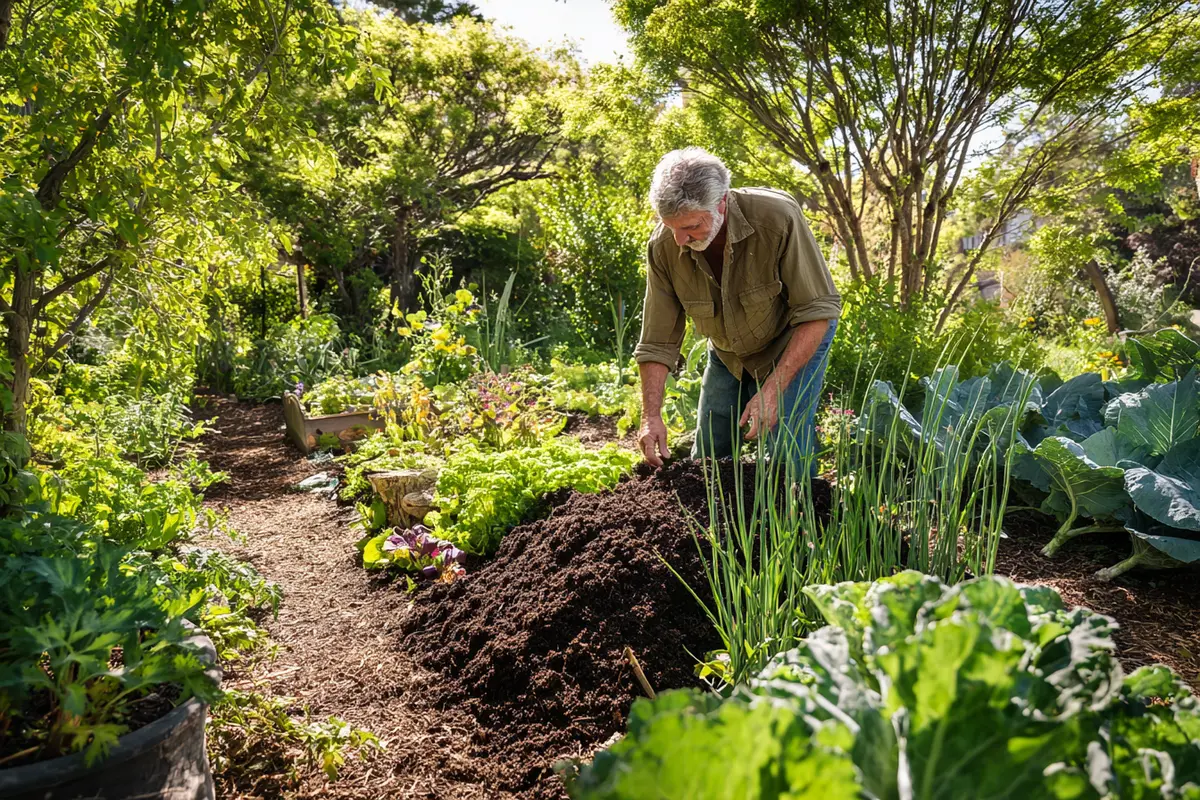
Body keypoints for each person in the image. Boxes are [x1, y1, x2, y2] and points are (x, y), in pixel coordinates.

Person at [633, 147, 840, 475]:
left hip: (793, 337)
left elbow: (817, 313)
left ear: (721, 203)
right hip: (729, 350)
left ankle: (798, 519)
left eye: (691, 227)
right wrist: (651, 415)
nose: (680, 239)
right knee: (709, 455)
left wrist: (772, 389)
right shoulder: (665, 246)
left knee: (786, 446)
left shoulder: (777, 217)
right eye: (671, 227)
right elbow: (657, 340)